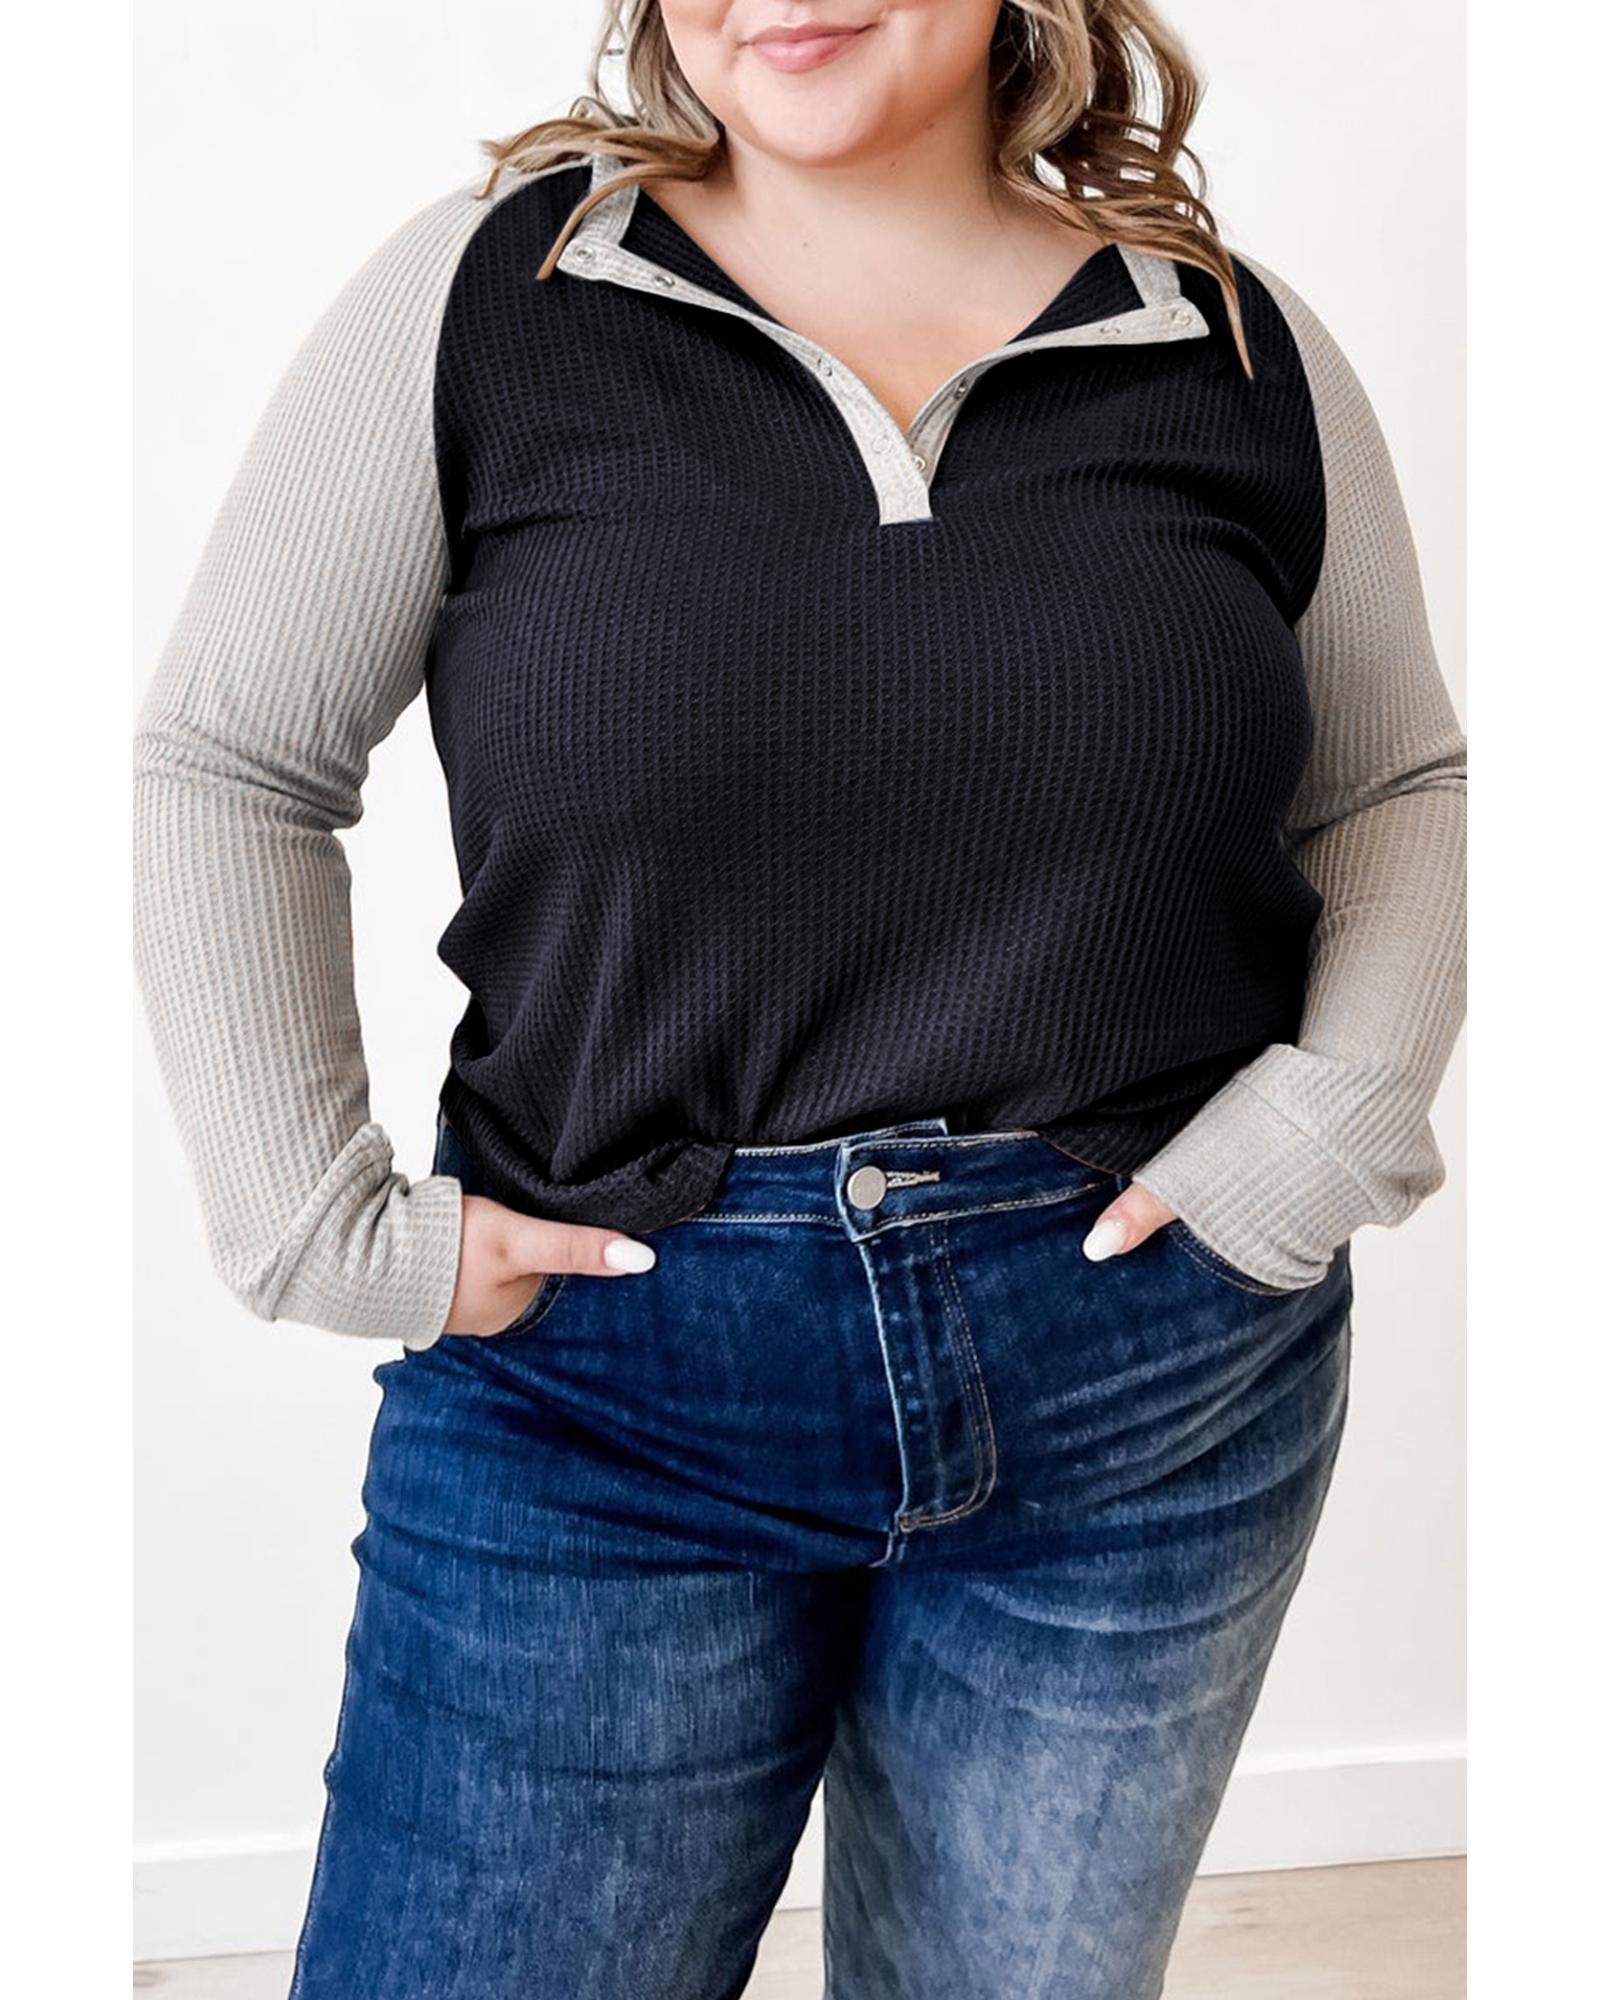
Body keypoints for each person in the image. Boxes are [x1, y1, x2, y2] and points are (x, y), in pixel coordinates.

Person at [131, 3, 1468, 1994]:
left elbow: (1393, 785)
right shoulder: (495, 297)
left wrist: (1319, 1135)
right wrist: (311, 1223)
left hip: (1148, 1389)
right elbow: (233, 761)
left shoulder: (1225, 341)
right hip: (599, 1382)